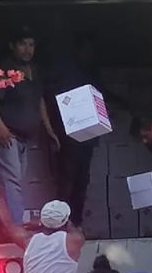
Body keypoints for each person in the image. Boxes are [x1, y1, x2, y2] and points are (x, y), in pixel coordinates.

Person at [0, 26, 60, 228]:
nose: (27, 49)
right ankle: (16, 228)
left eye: (31, 45)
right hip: (6, 135)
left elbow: (40, 101)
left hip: (25, 138)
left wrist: (49, 129)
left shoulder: (35, 71)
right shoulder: (5, 69)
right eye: (23, 44)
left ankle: (8, 226)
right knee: (11, 182)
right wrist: (0, 128)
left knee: (14, 182)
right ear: (12, 46)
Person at [44, 34, 113, 226]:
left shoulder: (91, 74)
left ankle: (76, 222)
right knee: (67, 180)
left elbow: (102, 96)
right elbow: (52, 97)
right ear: (78, 51)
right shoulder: (66, 73)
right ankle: (61, 223)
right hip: (68, 136)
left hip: (88, 137)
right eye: (86, 51)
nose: (89, 55)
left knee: (82, 180)